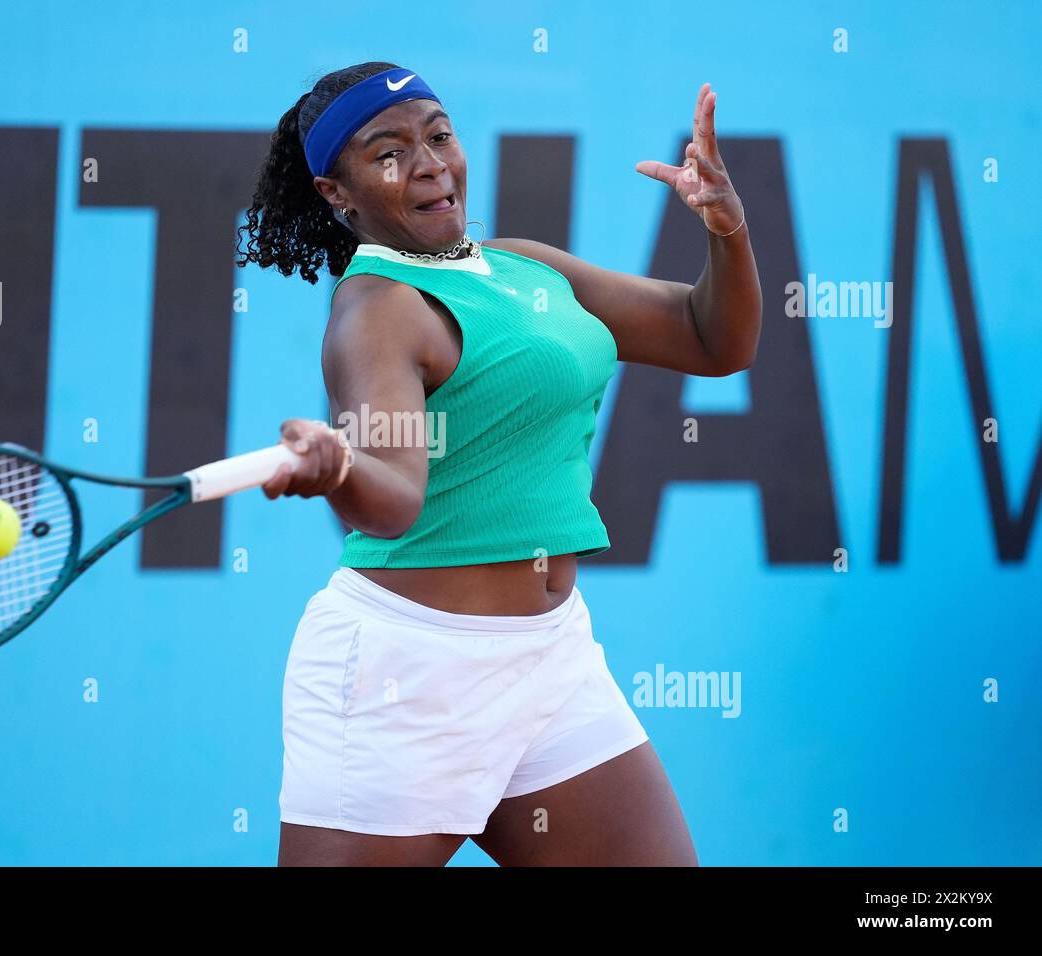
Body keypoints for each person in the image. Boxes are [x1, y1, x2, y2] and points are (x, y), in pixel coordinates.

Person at [235, 61, 761, 866]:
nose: (429, 165)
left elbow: (710, 338)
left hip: (551, 662)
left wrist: (727, 230)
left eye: (439, 136)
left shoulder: (523, 267)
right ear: (337, 193)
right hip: (407, 677)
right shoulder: (378, 311)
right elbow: (393, 498)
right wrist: (338, 468)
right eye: (388, 153)